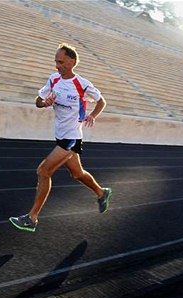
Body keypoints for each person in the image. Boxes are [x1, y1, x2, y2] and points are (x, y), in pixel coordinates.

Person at [9, 43, 111, 232]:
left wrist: (92, 115)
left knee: (43, 171)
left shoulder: (82, 84)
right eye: (56, 61)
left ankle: (32, 218)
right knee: (77, 174)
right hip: (60, 136)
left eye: (61, 62)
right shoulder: (54, 79)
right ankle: (101, 192)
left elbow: (102, 101)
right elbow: (38, 101)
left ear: (72, 62)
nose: (57, 65)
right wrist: (44, 102)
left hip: (72, 138)